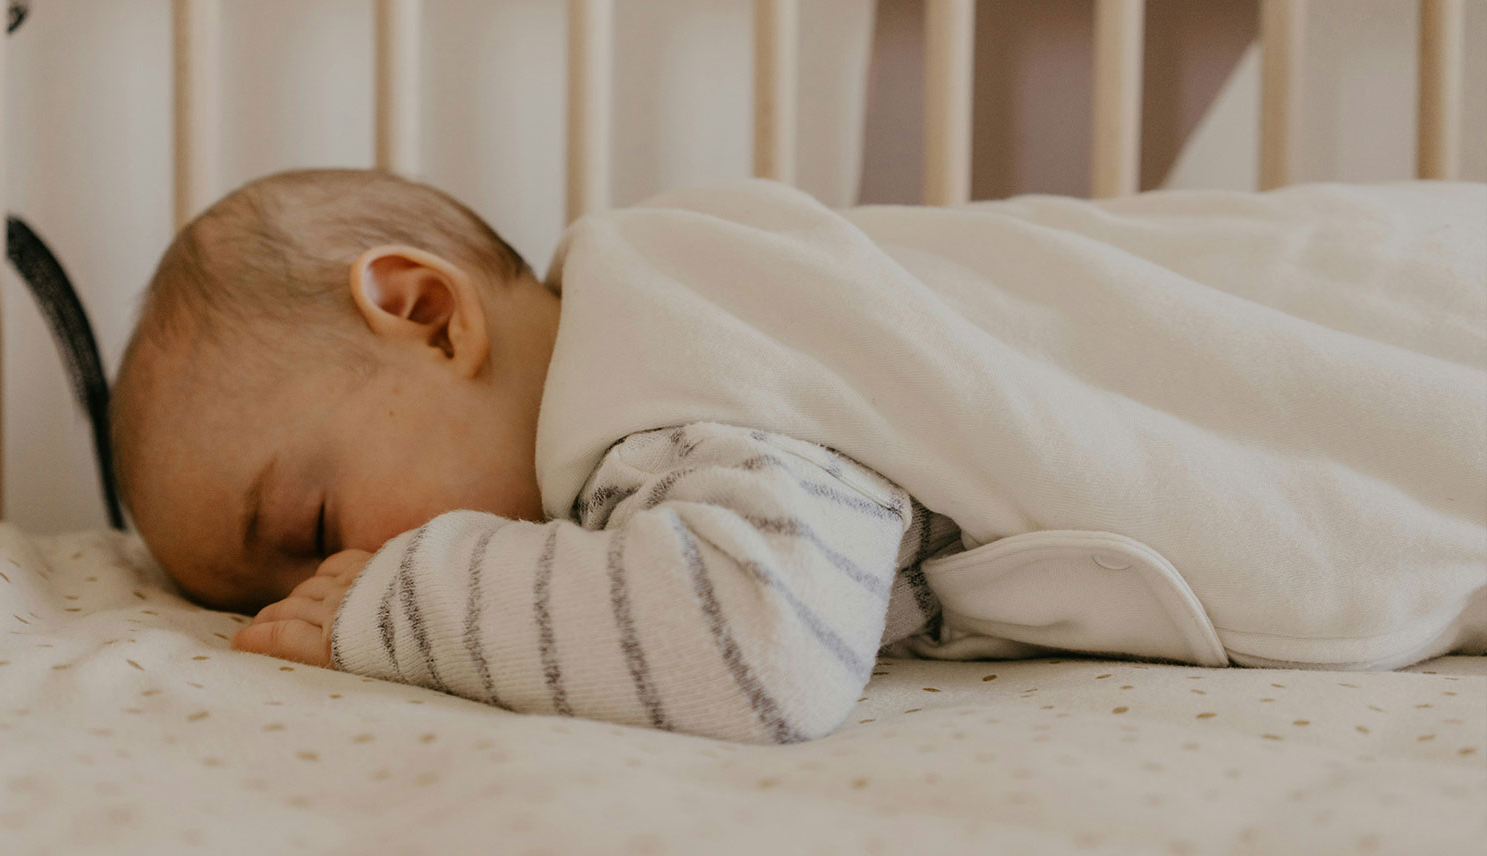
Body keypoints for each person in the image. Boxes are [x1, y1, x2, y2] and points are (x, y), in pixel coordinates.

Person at [110, 168, 1487, 744]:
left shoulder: (660, 358)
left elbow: (762, 641)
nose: (332, 575)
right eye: (293, 582)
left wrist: (404, 604)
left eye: (310, 527)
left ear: (420, 314)